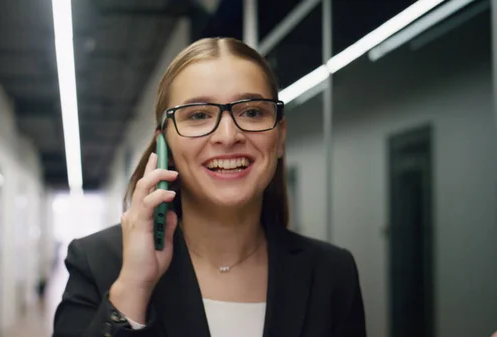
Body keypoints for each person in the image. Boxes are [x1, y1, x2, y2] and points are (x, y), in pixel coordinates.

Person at [52, 37, 366, 337]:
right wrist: (133, 286)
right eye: (199, 115)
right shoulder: (99, 261)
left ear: (279, 136)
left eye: (252, 112)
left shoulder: (332, 273)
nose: (228, 136)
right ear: (165, 145)